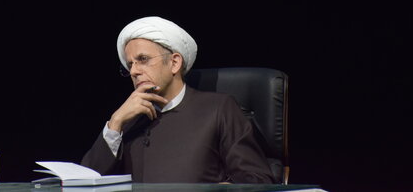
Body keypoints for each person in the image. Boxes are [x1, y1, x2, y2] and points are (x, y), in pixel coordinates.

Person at [81, 16, 276, 183]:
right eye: (130, 64)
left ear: (174, 62)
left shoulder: (218, 109)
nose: (134, 71)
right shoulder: (128, 120)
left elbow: (258, 179)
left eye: (143, 59)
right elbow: (85, 183)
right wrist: (115, 124)